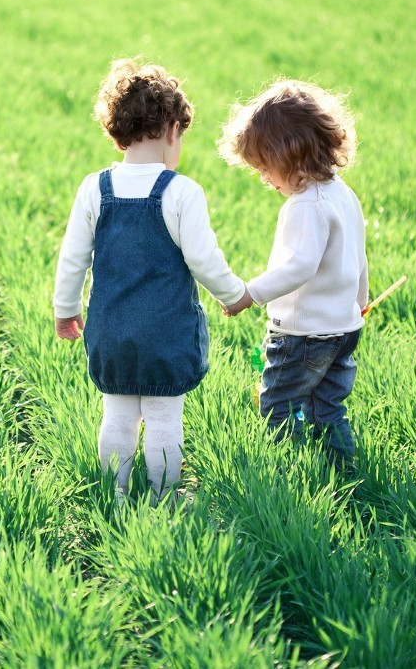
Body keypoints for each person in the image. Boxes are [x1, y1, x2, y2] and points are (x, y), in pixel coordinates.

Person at [54, 58, 249, 502]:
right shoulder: (181, 192)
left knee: (117, 416)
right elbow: (204, 259)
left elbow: (72, 259)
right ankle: (163, 496)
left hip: (112, 329)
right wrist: (234, 295)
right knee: (164, 417)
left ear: (116, 130)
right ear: (172, 130)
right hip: (166, 333)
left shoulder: (94, 188)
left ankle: (115, 495)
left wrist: (66, 311)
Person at [219, 80, 368, 472]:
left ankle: (285, 474)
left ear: (290, 155)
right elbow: (357, 254)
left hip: (303, 335)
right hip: (343, 329)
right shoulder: (342, 194)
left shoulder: (306, 206)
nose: (265, 179)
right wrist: (359, 301)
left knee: (278, 405)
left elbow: (300, 267)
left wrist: (250, 293)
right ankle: (343, 471)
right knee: (327, 407)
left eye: (266, 168)